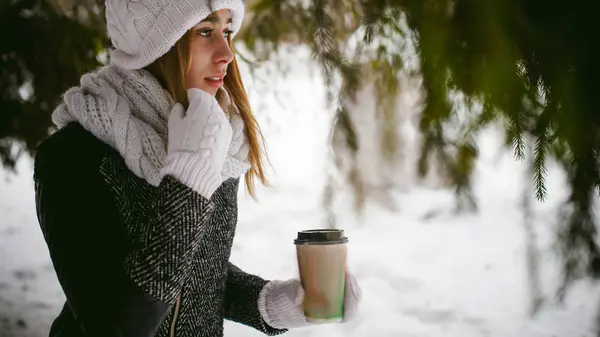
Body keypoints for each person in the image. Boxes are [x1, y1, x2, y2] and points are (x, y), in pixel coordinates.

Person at [33, 0, 362, 336]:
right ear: (153, 44)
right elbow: (116, 323)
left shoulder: (212, 136)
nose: (227, 53)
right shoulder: (71, 156)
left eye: (227, 32)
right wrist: (188, 179)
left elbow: (197, 274)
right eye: (205, 31)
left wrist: (273, 303)